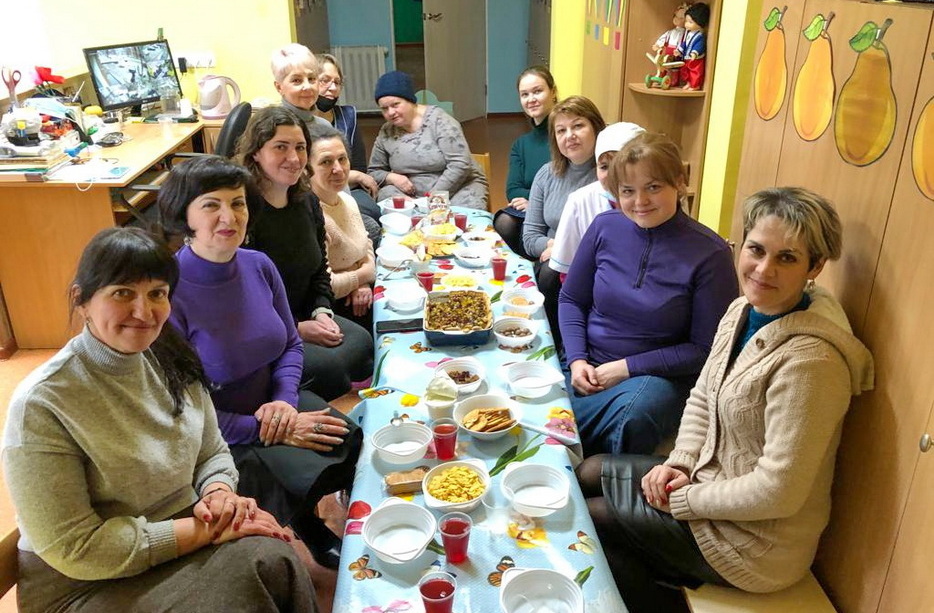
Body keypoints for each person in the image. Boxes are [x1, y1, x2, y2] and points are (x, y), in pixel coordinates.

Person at [575, 187, 874, 613]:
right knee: (589, 469)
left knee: (592, 524)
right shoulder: (741, 310)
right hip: (707, 480)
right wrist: (680, 462)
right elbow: (702, 395)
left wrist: (684, 500)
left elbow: (778, 491)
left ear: (815, 266)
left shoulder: (812, 363)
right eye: (757, 249)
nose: (764, 269)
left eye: (787, 258)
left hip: (751, 543)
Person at [2, 227, 316, 612]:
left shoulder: (170, 357)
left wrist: (218, 494)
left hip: (174, 536)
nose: (143, 312)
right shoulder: (42, 404)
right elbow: (76, 548)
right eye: (122, 293)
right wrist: (207, 529)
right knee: (240, 596)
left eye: (157, 294)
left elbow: (212, 451)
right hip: (85, 581)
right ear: (81, 301)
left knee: (275, 558)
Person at [159, 156, 362, 571]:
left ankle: (313, 513)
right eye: (211, 205)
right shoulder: (168, 293)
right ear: (184, 216)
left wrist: (284, 402)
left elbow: (290, 343)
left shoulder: (259, 264)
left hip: (276, 401)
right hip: (223, 433)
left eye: (238, 203)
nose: (229, 216)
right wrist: (266, 429)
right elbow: (183, 411)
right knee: (300, 472)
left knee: (352, 442)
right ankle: (308, 525)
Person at [559, 132, 738, 456]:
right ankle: (571, 449)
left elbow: (705, 349)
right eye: (628, 191)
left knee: (636, 413)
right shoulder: (604, 226)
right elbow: (571, 299)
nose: (640, 201)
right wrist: (577, 360)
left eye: (653, 187)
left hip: (651, 380)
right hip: (584, 364)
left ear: (679, 182)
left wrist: (624, 368)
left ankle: (573, 450)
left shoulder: (711, 254)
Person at [236, 105, 375, 402]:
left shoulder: (306, 201)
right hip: (269, 331)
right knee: (331, 367)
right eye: (281, 147)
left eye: (300, 147)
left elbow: (320, 269)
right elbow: (244, 302)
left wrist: (321, 311)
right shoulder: (243, 213)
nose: (294, 157)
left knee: (362, 342)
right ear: (256, 152)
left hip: (306, 313)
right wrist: (298, 329)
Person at [271, 43, 381, 245]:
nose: (307, 86)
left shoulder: (322, 125)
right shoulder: (275, 128)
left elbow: (340, 189)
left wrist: (349, 220)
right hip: (297, 217)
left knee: (371, 230)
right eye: (296, 80)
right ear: (279, 87)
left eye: (312, 79)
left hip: (330, 208)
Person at [522, 95, 606, 341]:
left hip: (595, 262)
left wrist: (564, 249)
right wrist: (557, 246)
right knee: (550, 269)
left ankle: (560, 342)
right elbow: (530, 237)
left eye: (578, 126)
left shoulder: (608, 176)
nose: (570, 136)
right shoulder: (546, 174)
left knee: (552, 271)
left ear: (596, 128)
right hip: (551, 257)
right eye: (561, 130)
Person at [368, 70, 489, 209]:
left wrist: (432, 198)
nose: (390, 112)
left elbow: (460, 164)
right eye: (384, 109)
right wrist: (392, 177)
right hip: (412, 194)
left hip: (457, 188)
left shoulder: (440, 121)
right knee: (385, 195)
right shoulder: (387, 131)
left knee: (460, 216)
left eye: (396, 104)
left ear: (410, 101)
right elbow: (373, 172)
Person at [549, 121, 645, 275]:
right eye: (604, 167)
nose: (612, 174)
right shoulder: (579, 201)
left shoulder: (653, 204)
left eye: (620, 165)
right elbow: (568, 271)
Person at [308, 123, 376, 330]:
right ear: (307, 168)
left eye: (342, 159)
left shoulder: (347, 200)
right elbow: (324, 286)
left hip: (358, 288)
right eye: (326, 162)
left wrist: (363, 281)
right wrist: (364, 275)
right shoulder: (311, 215)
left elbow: (365, 243)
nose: (338, 169)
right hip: (333, 306)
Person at [493, 66, 559, 258]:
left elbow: (566, 185)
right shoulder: (521, 144)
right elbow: (513, 190)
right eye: (525, 94)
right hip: (530, 209)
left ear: (553, 92)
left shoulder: (564, 136)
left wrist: (535, 202)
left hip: (558, 209)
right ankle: (527, 266)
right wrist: (533, 202)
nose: (531, 99)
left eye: (537, 91)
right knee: (504, 222)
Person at [313, 52, 381, 225]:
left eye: (337, 82)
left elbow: (359, 166)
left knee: (373, 212)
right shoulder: (301, 122)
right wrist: (356, 176)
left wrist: (356, 175)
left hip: (347, 186)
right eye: (325, 80)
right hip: (316, 189)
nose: (333, 88)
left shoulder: (348, 116)